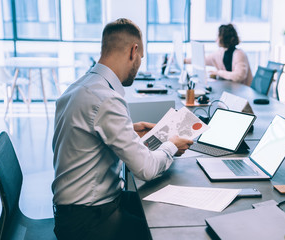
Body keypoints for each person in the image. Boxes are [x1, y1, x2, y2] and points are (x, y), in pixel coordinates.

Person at [51, 18, 193, 240]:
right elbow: (146, 169)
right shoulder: (106, 99)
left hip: (75, 211)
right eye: (141, 59)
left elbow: (88, 137)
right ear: (133, 51)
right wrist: (171, 145)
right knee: (173, 228)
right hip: (88, 221)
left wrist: (130, 130)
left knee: (162, 205)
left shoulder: (82, 86)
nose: (139, 66)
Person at [186, 24, 253, 86]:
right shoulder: (220, 53)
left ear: (225, 38)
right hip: (231, 88)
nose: (216, 40)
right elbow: (202, 60)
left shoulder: (239, 54)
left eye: (218, 36)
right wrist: (184, 60)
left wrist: (218, 72)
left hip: (243, 91)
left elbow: (239, 76)